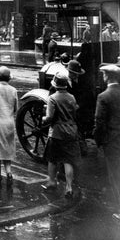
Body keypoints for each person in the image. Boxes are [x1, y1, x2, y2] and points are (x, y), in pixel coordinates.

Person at [93, 64, 120, 220]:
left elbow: (99, 123)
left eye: (104, 75)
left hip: (113, 143)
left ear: (107, 77)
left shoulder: (103, 97)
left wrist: (98, 142)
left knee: (117, 177)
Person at [41, 69, 81, 199]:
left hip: (57, 133)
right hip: (71, 132)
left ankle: (52, 182)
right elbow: (75, 114)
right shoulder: (72, 97)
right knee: (68, 161)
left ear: (55, 85)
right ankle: (69, 187)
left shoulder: (52, 98)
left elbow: (50, 118)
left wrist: (43, 119)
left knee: (52, 159)